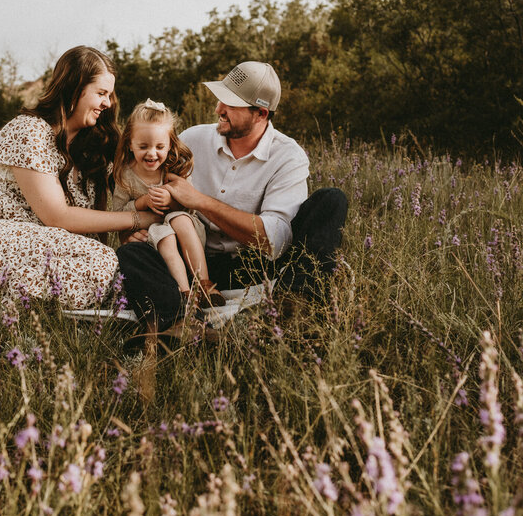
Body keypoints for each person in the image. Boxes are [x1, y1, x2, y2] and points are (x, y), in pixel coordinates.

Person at [116, 61, 349, 334]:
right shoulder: (192, 139)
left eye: (230, 104)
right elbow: (155, 189)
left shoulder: (288, 156)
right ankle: (181, 325)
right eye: (220, 100)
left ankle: (296, 308)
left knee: (332, 199)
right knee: (132, 254)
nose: (218, 110)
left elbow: (275, 241)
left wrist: (200, 201)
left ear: (260, 113)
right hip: (193, 260)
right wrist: (136, 230)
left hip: (257, 266)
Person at [0, 46, 161, 311]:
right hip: (1, 239)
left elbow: (118, 203)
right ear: (75, 89)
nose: (108, 103)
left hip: (54, 246)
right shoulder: (30, 131)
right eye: (101, 93)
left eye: (110, 95)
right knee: (105, 264)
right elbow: (55, 216)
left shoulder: (94, 144)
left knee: (126, 260)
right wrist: (139, 219)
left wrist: (131, 233)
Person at [110, 100, 225, 309]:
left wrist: (172, 201)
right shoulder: (125, 175)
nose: (152, 153)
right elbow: (117, 214)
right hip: (154, 242)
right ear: (129, 144)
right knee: (164, 235)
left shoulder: (174, 168)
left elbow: (189, 207)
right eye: (143, 146)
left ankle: (205, 285)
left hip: (188, 237)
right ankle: (185, 293)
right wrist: (141, 202)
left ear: (170, 144)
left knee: (179, 219)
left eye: (160, 146)